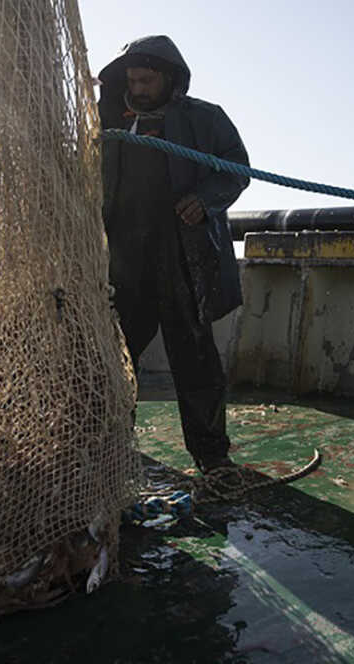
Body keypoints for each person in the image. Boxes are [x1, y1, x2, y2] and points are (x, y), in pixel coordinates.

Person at [97, 35, 249, 476]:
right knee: (113, 357)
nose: (138, 88)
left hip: (183, 258)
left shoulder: (206, 118)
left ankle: (212, 456)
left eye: (146, 80)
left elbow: (237, 166)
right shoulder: (107, 119)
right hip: (125, 261)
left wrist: (205, 199)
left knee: (195, 359)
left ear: (169, 78)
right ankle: (111, 449)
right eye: (132, 80)